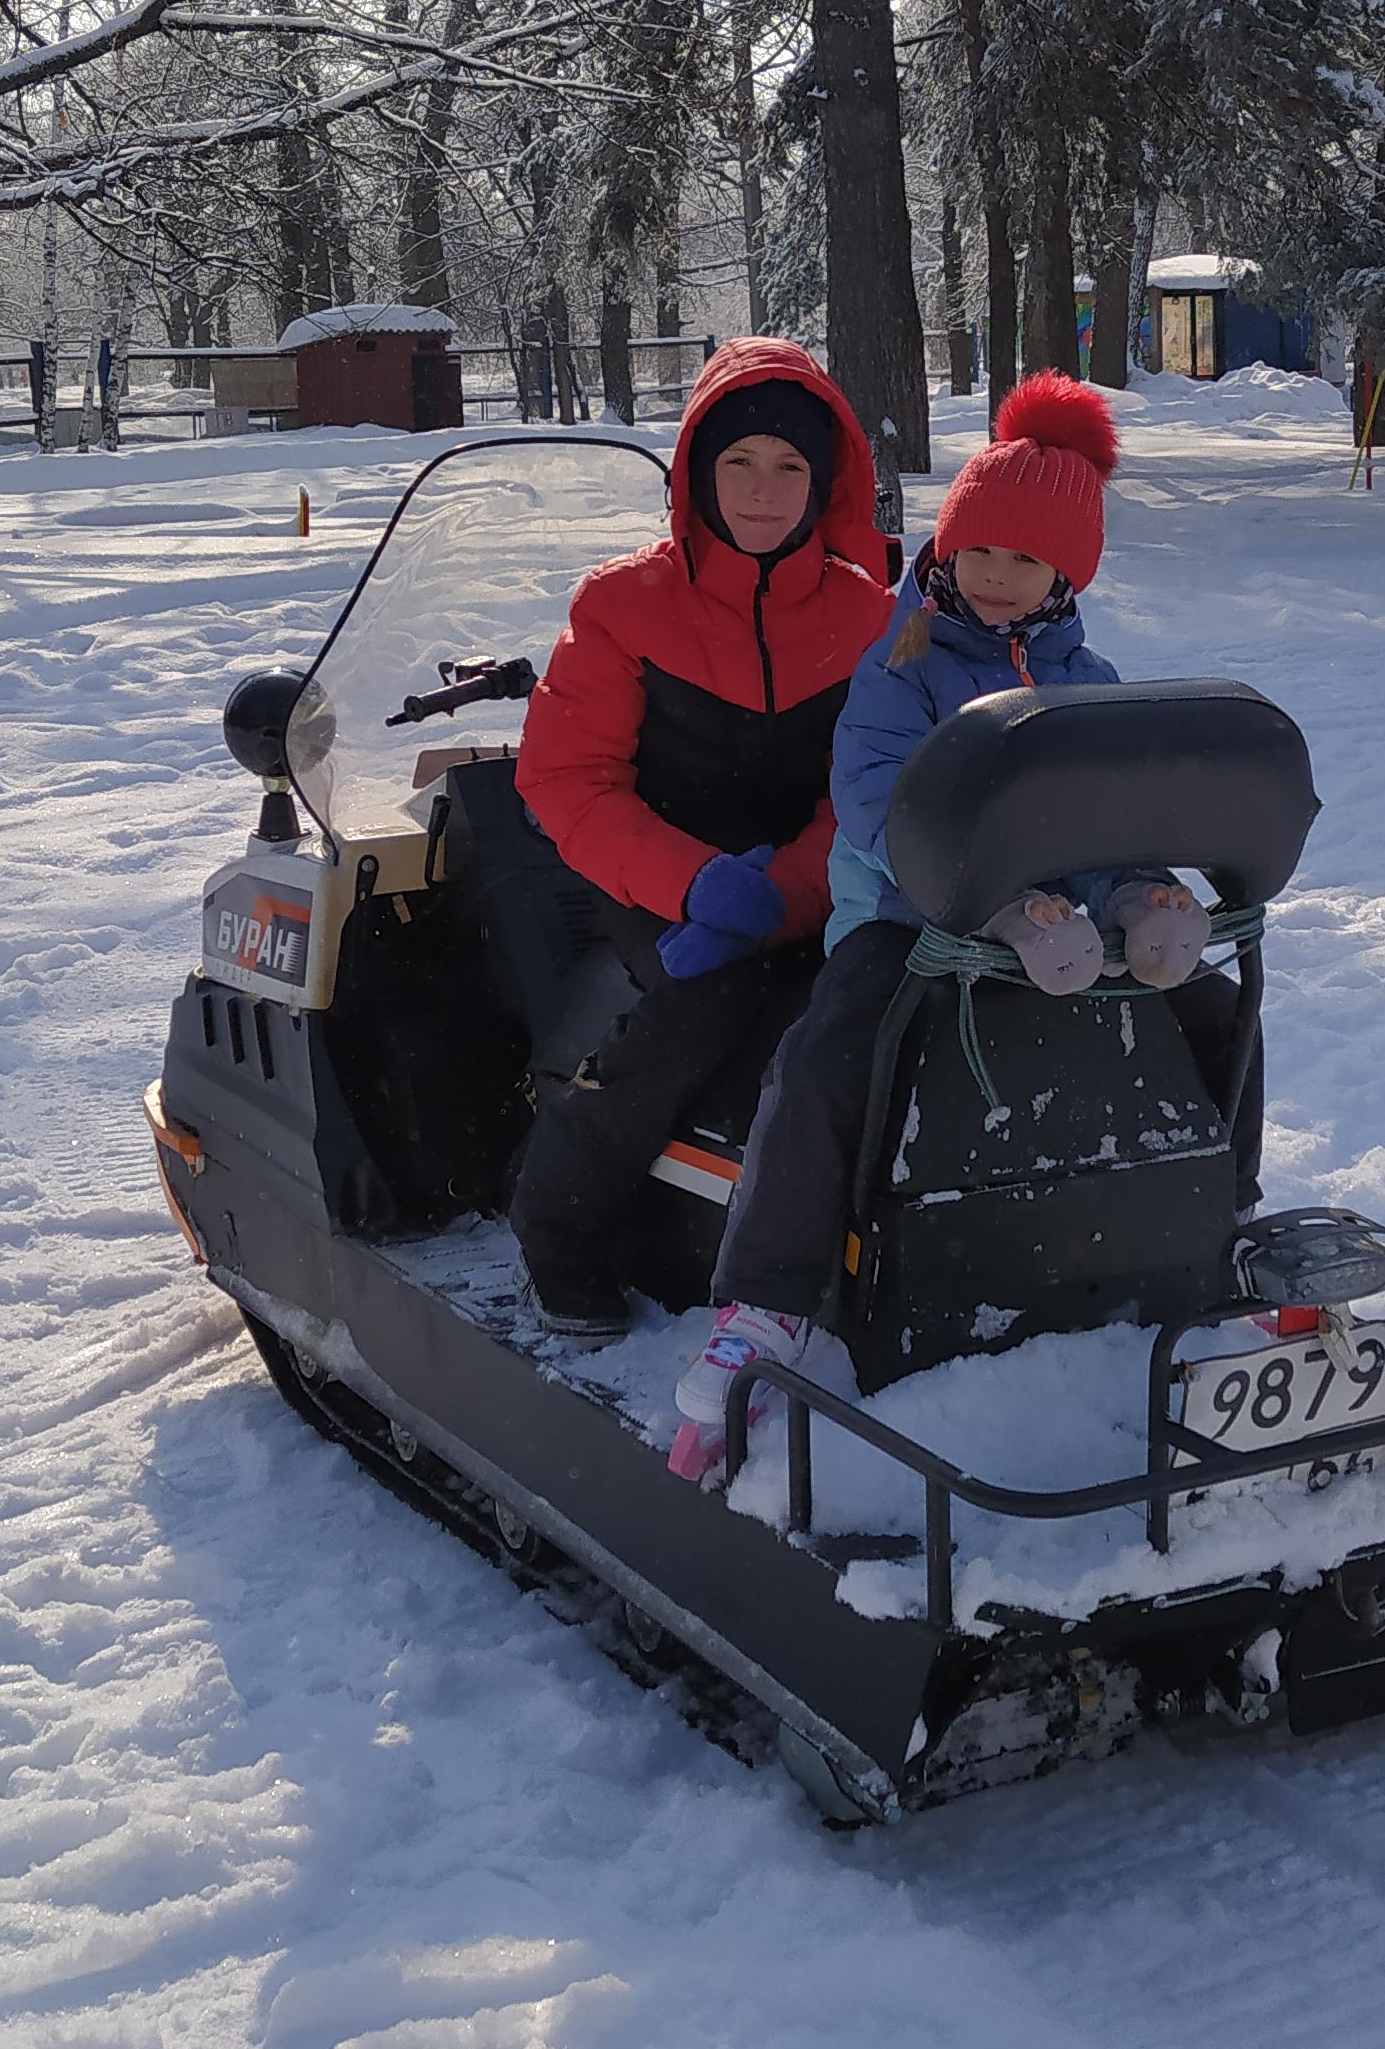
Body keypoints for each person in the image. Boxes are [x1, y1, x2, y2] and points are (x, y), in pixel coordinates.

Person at [666, 372, 1263, 1477]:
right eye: (979, 549)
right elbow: (884, 804)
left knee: (1220, 1008)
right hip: (909, 919)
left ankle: (1218, 1226)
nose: (994, 577)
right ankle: (769, 1302)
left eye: (1024, 560)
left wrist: (1144, 895)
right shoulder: (901, 667)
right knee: (832, 1048)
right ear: (948, 545)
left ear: (1065, 577)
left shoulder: (1092, 679)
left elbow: (1115, 818)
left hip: (1062, 930)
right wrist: (989, 905)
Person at [508, 338, 892, 1338]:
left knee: (879, 1016)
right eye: (739, 463)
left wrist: (792, 888)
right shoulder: (622, 606)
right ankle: (558, 1226)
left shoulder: (872, 618)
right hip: (659, 883)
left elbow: (873, 782)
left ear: (824, 482)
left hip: (823, 879)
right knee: (705, 1010)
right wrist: (698, 884)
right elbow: (565, 777)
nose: (763, 491)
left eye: (790, 467)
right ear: (697, 474)